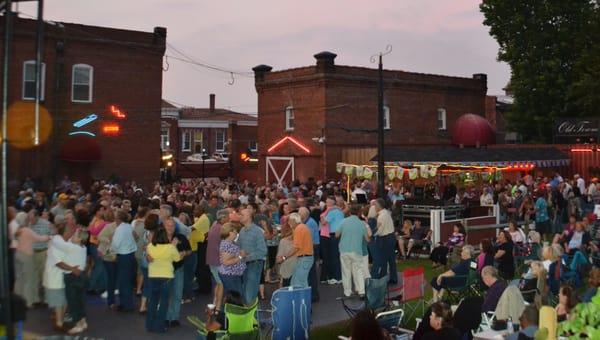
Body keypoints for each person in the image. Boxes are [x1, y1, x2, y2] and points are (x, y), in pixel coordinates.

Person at [145, 227, 180, 333]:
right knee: (164, 303)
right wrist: (175, 246)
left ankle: (149, 325)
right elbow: (177, 258)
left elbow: (149, 258)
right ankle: (160, 326)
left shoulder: (150, 246)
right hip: (166, 277)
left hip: (153, 276)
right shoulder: (170, 247)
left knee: (152, 302)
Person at [14, 210, 50, 307]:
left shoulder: (19, 229)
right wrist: (49, 237)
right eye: (28, 218)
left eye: (31, 218)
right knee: (30, 279)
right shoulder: (27, 229)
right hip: (28, 255)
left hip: (24, 254)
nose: (29, 220)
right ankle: (30, 301)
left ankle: (23, 300)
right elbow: (41, 238)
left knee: (22, 279)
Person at [335, 204, 370, 297]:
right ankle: (361, 291)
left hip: (344, 250)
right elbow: (367, 239)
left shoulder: (343, 221)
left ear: (350, 212)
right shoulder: (362, 224)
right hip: (357, 250)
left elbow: (336, 234)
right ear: (359, 213)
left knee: (346, 271)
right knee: (359, 270)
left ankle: (347, 292)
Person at [60, 229, 89, 335]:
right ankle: (83, 321)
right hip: (81, 276)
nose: (72, 235)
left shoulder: (72, 248)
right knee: (80, 300)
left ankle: (78, 325)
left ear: (80, 238)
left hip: (72, 277)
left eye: (75, 235)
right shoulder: (83, 248)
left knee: (73, 302)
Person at [164, 218, 191, 327]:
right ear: (164, 226)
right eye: (168, 225)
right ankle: (165, 317)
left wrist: (185, 253)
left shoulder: (181, 237)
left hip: (178, 269)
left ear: (175, 227)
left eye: (172, 226)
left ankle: (174, 318)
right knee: (166, 295)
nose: (170, 228)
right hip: (165, 271)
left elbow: (189, 250)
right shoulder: (160, 238)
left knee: (177, 294)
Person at [238, 208, 267, 304]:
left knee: (250, 294)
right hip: (244, 265)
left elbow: (263, 251)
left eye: (242, 215)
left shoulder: (257, 231)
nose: (240, 216)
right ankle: (250, 317)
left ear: (249, 217)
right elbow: (239, 247)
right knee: (245, 293)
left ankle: (252, 318)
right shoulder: (242, 230)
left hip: (255, 265)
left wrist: (247, 256)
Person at [110, 209, 138, 312]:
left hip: (123, 256)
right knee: (127, 281)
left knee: (123, 281)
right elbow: (136, 237)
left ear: (118, 218)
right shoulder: (129, 226)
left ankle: (127, 305)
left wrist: (112, 251)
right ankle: (126, 303)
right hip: (130, 255)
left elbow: (115, 244)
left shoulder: (120, 229)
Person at [277, 212, 314, 288]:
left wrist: (284, 257)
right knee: (298, 281)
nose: (289, 223)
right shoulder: (302, 227)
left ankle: (301, 299)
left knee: (298, 283)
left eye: (289, 221)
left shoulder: (298, 229)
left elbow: (296, 247)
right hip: (306, 258)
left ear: (294, 220)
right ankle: (302, 299)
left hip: (304, 258)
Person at [206, 209, 229, 310]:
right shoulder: (221, 229)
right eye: (227, 217)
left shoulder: (214, 226)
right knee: (221, 284)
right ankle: (218, 307)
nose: (229, 219)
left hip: (211, 259)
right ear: (223, 218)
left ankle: (214, 303)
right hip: (218, 260)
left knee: (218, 283)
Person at [372, 198, 398, 284]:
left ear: (379, 206)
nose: (374, 207)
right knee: (391, 259)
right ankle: (393, 278)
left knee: (383, 259)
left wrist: (371, 234)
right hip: (391, 237)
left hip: (385, 238)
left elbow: (380, 230)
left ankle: (383, 279)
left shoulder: (381, 216)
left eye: (375, 205)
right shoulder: (386, 213)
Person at [97, 208, 118, 309]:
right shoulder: (109, 227)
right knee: (111, 278)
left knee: (115, 278)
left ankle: (113, 299)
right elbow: (100, 237)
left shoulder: (125, 227)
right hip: (108, 256)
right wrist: (109, 239)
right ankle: (111, 301)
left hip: (119, 256)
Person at [218, 223, 246, 297]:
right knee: (235, 297)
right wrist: (240, 256)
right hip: (230, 275)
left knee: (234, 296)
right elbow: (226, 262)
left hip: (233, 275)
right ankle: (232, 308)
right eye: (235, 232)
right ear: (230, 232)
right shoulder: (227, 245)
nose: (237, 234)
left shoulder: (230, 243)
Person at [321, 196, 344, 284]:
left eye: (327, 202)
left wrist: (324, 215)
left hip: (333, 235)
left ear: (331, 203)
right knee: (337, 255)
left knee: (334, 256)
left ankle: (336, 277)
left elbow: (323, 222)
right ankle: (339, 276)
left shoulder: (332, 212)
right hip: (340, 234)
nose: (326, 204)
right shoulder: (339, 211)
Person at [300, 206, 320, 301]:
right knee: (310, 273)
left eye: (300, 214)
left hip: (311, 249)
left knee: (310, 274)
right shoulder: (309, 222)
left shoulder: (309, 224)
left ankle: (313, 295)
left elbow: (309, 239)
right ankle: (313, 295)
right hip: (311, 248)